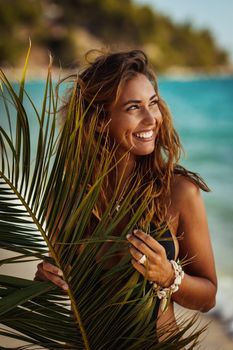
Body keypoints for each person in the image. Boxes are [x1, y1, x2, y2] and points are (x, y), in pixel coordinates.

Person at [35, 49, 217, 342]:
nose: (151, 118)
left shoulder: (179, 192)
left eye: (153, 103)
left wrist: (169, 277)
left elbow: (208, 297)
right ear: (100, 119)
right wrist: (44, 278)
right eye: (134, 107)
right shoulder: (68, 197)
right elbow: (60, 283)